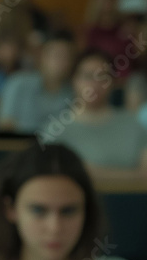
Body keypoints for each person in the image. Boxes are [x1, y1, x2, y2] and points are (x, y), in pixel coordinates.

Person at [0, 143, 147, 260]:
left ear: (86, 211)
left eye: (68, 210)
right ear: (10, 209)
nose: (54, 227)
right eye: (38, 210)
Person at [43, 49, 147, 180]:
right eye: (87, 76)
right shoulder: (55, 129)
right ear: (74, 80)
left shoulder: (133, 125)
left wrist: (91, 172)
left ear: (113, 82)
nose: (94, 84)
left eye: (103, 77)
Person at [0, 30, 75, 133]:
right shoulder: (18, 83)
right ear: (43, 57)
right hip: (19, 145)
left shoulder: (74, 93)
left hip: (58, 147)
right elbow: (5, 125)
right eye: (57, 55)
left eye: (67, 57)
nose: (62, 62)